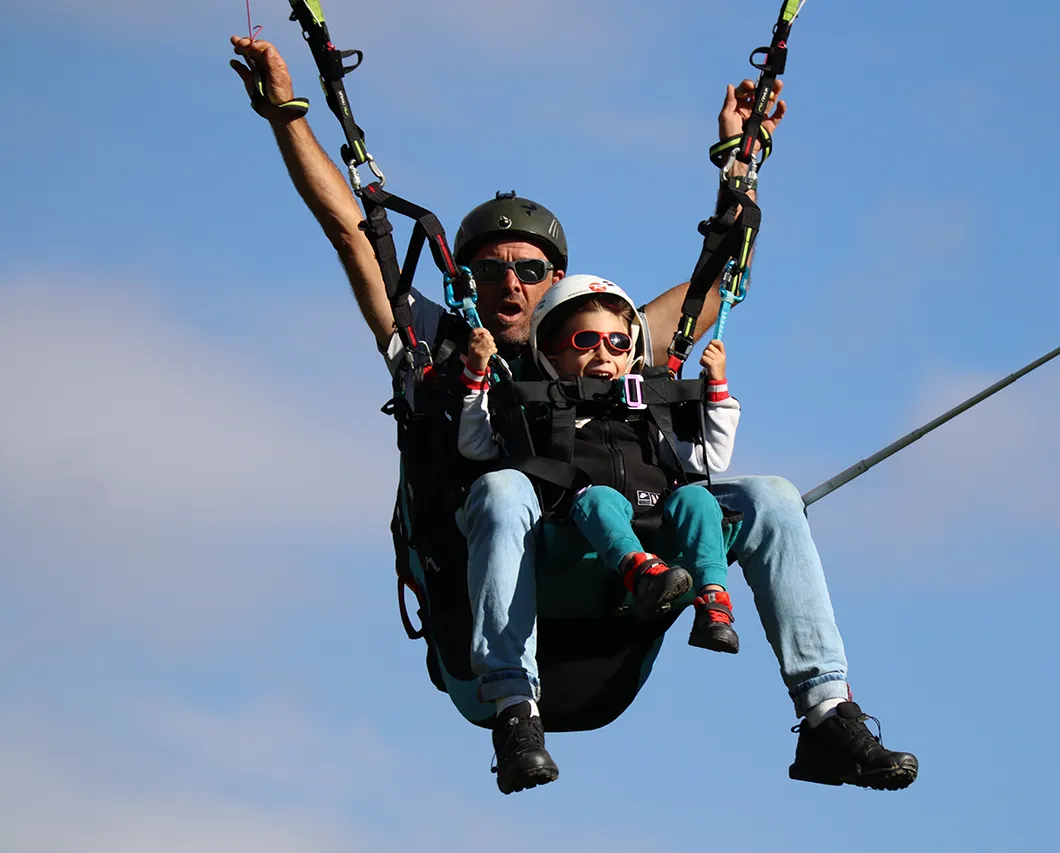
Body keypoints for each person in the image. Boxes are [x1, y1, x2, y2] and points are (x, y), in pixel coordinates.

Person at [229, 32, 919, 796]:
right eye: (490, 269)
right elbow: (352, 236)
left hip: (614, 614)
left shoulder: (606, 341)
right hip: (488, 636)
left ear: (557, 279)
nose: (510, 283)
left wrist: (741, 159)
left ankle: (828, 714)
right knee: (501, 489)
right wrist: (287, 115)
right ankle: (515, 713)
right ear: (468, 280)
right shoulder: (441, 344)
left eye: (530, 270)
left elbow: (709, 291)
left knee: (772, 499)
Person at [459, 276, 744, 655]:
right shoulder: (541, 418)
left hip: (658, 523)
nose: (604, 354)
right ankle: (639, 571)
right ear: (552, 357)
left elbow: (713, 458)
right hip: (577, 531)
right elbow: (475, 446)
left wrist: (717, 387)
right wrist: (477, 374)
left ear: (631, 356)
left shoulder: (648, 418)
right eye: (586, 341)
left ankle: (713, 600)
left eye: (618, 342)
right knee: (599, 499)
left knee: (698, 499)